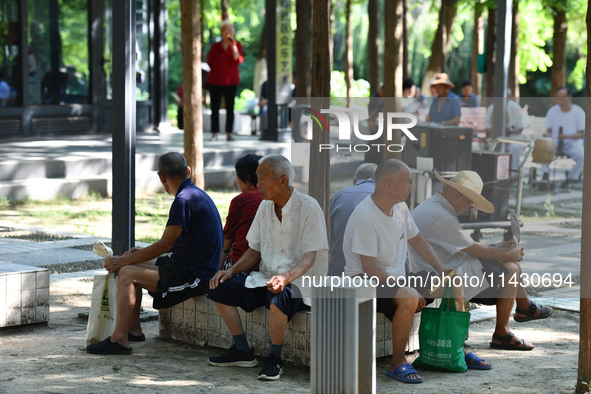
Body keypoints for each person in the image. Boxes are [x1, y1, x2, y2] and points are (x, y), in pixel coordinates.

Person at [86, 152, 223, 355]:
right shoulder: (194, 193)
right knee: (132, 260)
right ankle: (132, 329)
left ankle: (119, 339)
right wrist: (132, 256)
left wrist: (121, 260)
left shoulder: (183, 200)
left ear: (161, 177)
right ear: (188, 171)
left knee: (127, 272)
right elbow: (169, 245)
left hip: (196, 276)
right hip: (186, 264)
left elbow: (165, 245)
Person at [208, 154, 328, 381]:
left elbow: (310, 257)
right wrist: (230, 271)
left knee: (279, 298)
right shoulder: (264, 207)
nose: (258, 183)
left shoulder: (309, 207)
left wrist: (286, 277)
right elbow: (254, 250)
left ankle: (274, 358)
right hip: (265, 276)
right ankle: (242, 350)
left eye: (262, 177)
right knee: (218, 287)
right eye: (257, 177)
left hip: (299, 281)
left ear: (282, 181)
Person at [408, 171, 553, 353]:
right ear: (459, 193)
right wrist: (508, 252)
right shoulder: (441, 215)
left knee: (509, 263)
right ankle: (508, 326)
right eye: (469, 201)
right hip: (437, 275)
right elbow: (474, 250)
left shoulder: (435, 206)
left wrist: (501, 248)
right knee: (510, 268)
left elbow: (466, 246)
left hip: (444, 267)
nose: (469, 207)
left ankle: (521, 311)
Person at [343, 159, 453, 384]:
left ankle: (455, 348)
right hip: (363, 283)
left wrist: (441, 269)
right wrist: (406, 288)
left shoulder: (400, 206)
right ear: (389, 184)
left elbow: (418, 241)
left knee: (451, 281)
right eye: (407, 183)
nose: (411, 188)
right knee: (409, 296)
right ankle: (398, 362)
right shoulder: (365, 215)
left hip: (394, 279)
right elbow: (370, 268)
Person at [328, 163, 377, 276]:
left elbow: (325, 236)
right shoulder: (388, 198)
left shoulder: (340, 196)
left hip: (339, 273)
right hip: (378, 279)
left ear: (354, 181)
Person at [220, 154, 263, 271]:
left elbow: (227, 239)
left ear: (244, 179)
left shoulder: (241, 201)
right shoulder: (273, 196)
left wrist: (217, 272)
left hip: (242, 264)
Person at [205, 20, 244, 142]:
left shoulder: (237, 45)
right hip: (216, 81)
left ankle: (229, 133)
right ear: (222, 32)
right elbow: (209, 62)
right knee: (214, 108)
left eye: (230, 30)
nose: (228, 32)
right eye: (226, 30)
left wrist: (233, 46)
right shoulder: (215, 46)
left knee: (230, 108)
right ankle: (214, 133)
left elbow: (239, 60)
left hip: (231, 81)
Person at [541, 87, 585, 188]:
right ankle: (545, 174)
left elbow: (582, 133)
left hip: (573, 143)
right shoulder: (553, 110)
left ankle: (570, 177)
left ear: (569, 98)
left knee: (583, 155)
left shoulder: (578, 112)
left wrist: (566, 136)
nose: (560, 101)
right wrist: (547, 134)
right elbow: (548, 130)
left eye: (563, 98)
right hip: (555, 142)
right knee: (544, 148)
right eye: (558, 98)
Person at [484, 89, 525, 171]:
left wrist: (509, 130)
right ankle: (491, 172)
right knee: (490, 146)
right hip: (496, 138)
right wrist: (498, 131)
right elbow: (487, 129)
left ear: (509, 97)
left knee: (514, 147)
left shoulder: (515, 107)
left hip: (513, 138)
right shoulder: (491, 108)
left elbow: (520, 128)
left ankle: (513, 174)